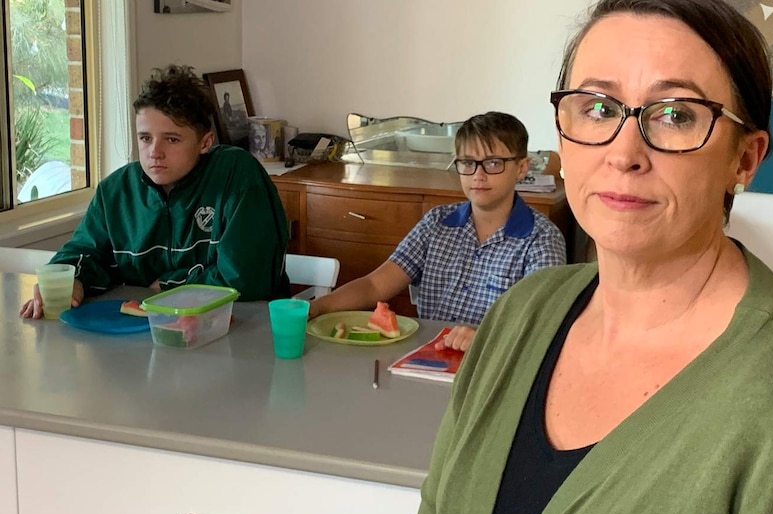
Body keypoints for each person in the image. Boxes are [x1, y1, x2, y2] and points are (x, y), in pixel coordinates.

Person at [413, 0, 773, 514]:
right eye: (598, 108)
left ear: (744, 159)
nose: (624, 153)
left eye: (677, 115)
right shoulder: (519, 315)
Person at [20, 65, 290, 319]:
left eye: (172, 139)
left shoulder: (238, 175)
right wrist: (74, 280)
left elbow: (247, 280)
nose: (154, 153)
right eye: (145, 138)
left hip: (242, 336)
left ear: (205, 142)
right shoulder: (115, 191)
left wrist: (170, 283)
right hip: (142, 340)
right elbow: (84, 251)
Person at [309, 111, 567, 350]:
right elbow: (375, 285)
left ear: (521, 168)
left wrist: (485, 339)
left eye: (493, 163)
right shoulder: (437, 223)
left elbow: (543, 324)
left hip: (494, 365)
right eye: (468, 163)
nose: (478, 175)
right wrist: (317, 307)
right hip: (429, 357)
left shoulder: (541, 239)